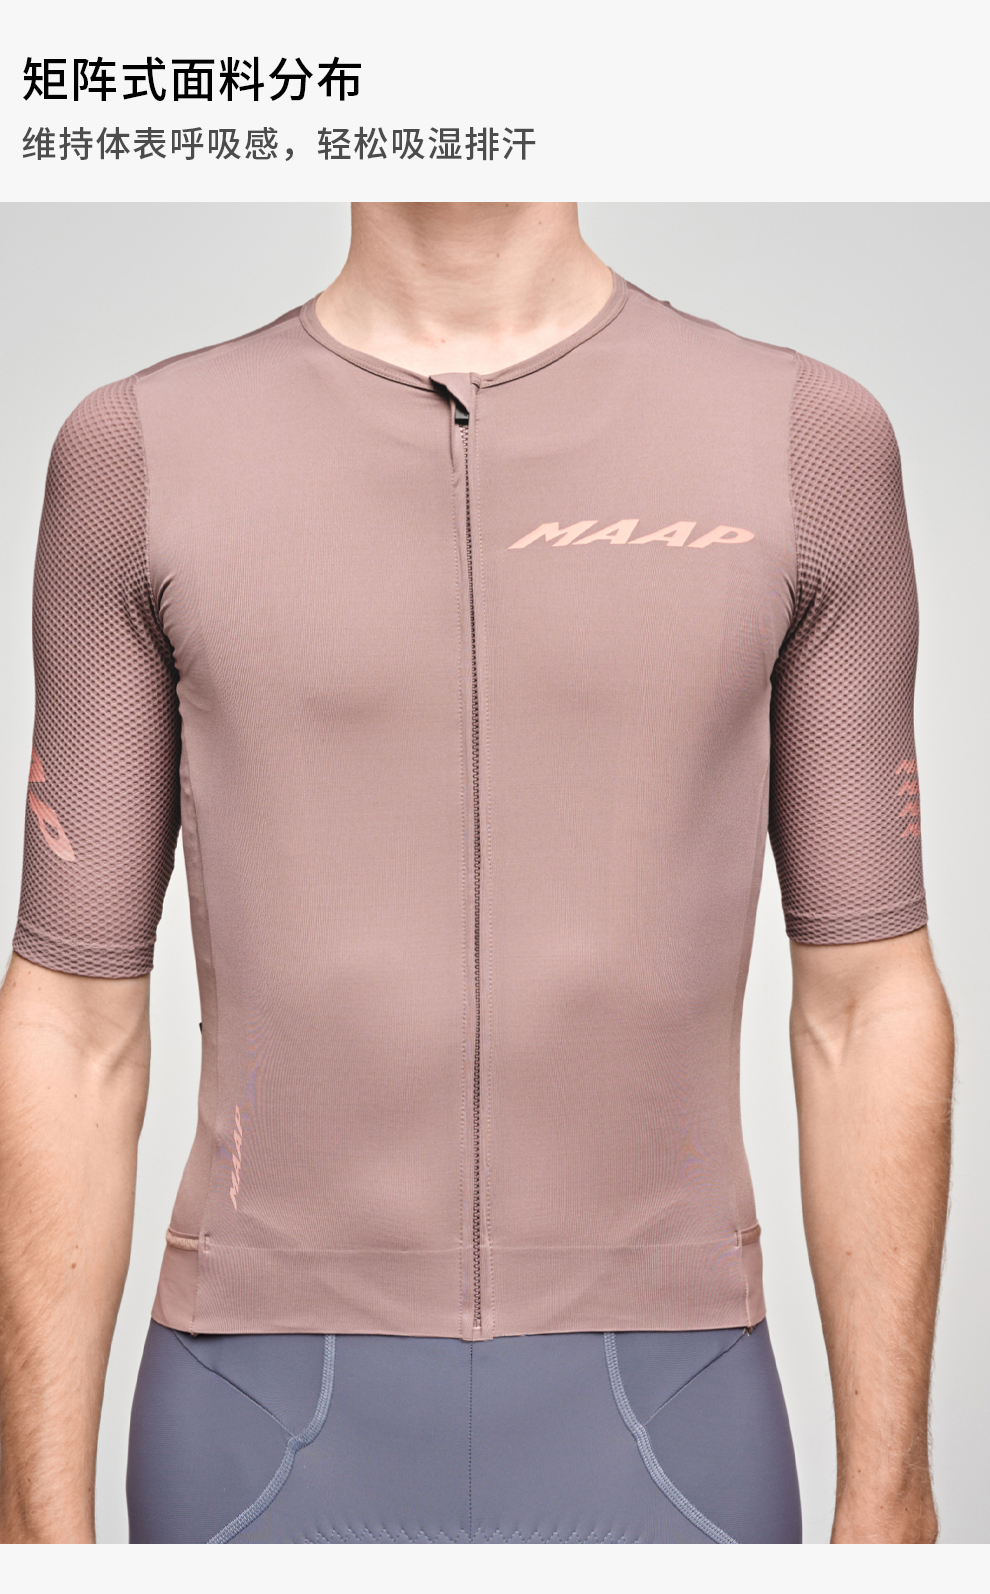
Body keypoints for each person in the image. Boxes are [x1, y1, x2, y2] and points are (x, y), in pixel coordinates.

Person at [0, 202, 953, 1545]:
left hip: (667, 1418)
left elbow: (866, 1002)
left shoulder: (805, 441)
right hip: (254, 1422)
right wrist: (32, 1527)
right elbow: (71, 1021)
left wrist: (892, 1494)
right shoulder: (140, 453)